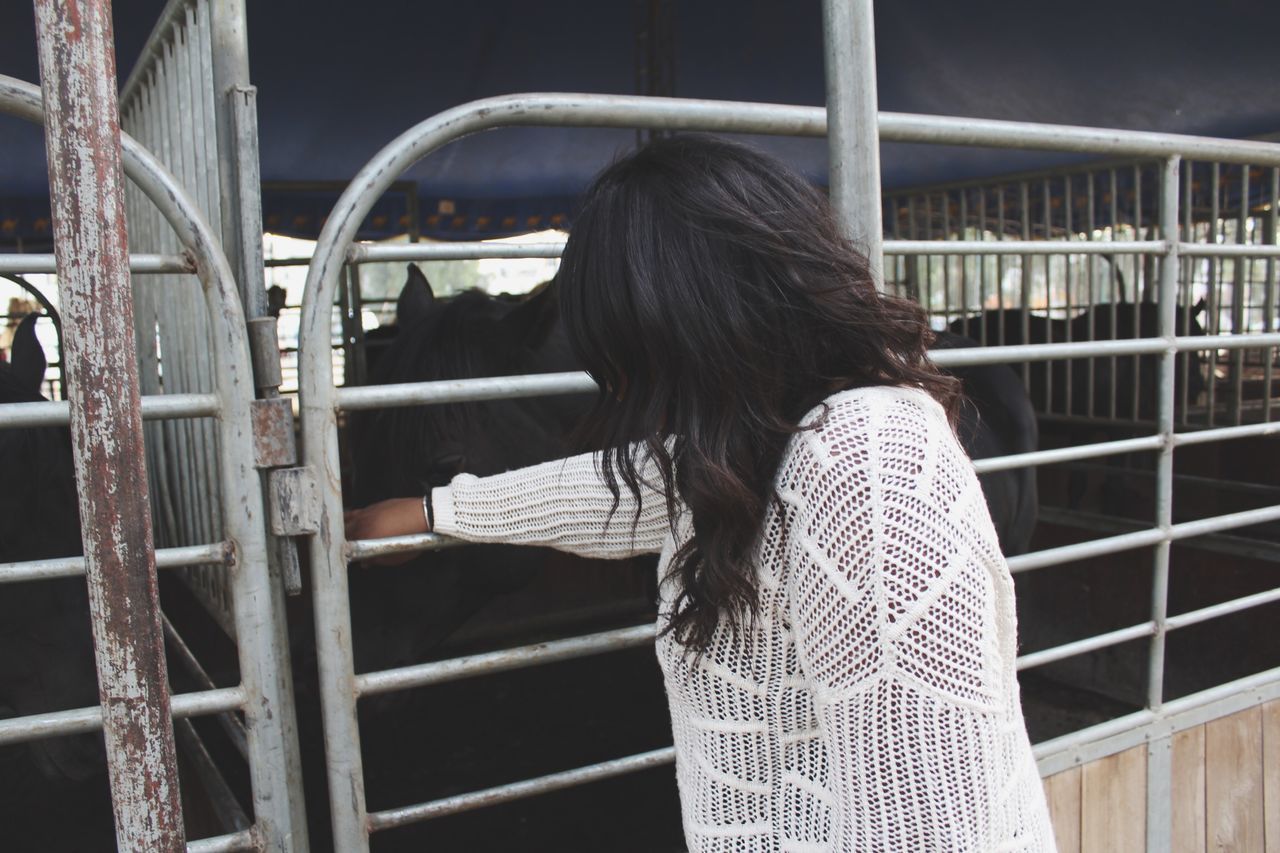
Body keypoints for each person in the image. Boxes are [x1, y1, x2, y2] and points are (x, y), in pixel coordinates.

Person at [344, 135, 1057, 851]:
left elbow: (928, 823)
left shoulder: (866, 469)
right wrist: (435, 511)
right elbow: (621, 488)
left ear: (692, 322)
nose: (620, 390)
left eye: (627, 358)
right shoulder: (772, 436)